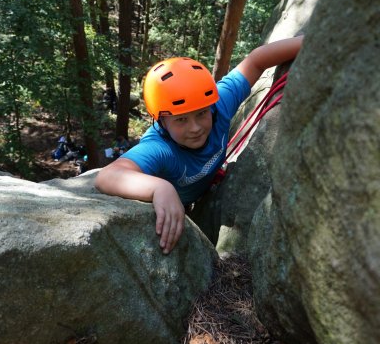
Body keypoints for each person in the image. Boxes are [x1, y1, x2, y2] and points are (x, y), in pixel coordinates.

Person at [95, 36, 303, 255]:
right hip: (183, 206)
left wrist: (316, 38)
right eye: (181, 120)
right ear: (161, 121)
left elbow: (256, 61)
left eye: (201, 114)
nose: (195, 128)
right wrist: (159, 188)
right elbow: (107, 176)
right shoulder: (160, 147)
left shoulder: (219, 105)